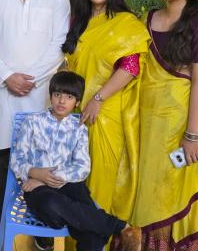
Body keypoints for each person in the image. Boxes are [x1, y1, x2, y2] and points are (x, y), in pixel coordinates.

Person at [0, 0, 70, 250]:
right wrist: (8, 76)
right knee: (2, 166)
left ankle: (42, 232)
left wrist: (28, 78)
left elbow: (59, 44)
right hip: (3, 97)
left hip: (41, 97)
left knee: (44, 166)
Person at [131, 0, 198, 250]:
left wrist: (191, 136)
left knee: (175, 188)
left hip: (180, 123)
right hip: (147, 123)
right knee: (148, 187)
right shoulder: (149, 18)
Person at [62, 0, 150, 247]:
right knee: (76, 184)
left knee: (100, 182)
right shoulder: (81, 22)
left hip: (106, 112)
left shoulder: (125, 23)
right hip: (77, 113)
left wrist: (98, 99)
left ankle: (96, 242)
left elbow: (130, 66)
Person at [10, 71, 138, 251]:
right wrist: (35, 173)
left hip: (69, 185)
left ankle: (91, 220)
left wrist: (47, 177)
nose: (62, 101)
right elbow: (17, 160)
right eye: (57, 94)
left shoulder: (79, 128)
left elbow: (82, 167)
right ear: (51, 96)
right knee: (52, 205)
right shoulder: (32, 122)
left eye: (69, 97)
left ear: (77, 102)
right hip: (37, 188)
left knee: (90, 233)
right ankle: (118, 226)